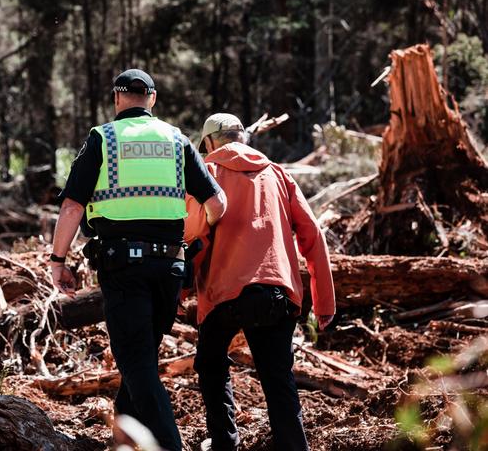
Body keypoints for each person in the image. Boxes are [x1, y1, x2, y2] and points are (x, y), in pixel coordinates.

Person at [49, 69, 227, 451]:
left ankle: (169, 446)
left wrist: (57, 260)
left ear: (117, 99)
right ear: (153, 99)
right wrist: (196, 239)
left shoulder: (103, 138)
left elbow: (71, 207)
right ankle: (123, 441)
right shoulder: (177, 139)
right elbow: (217, 204)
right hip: (170, 268)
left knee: (138, 365)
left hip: (124, 267)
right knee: (140, 360)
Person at [185, 113, 336, 451]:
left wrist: (180, 287)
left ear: (208, 144)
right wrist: (324, 303)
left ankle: (225, 443)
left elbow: (195, 235)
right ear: (244, 139)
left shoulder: (207, 173)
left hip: (224, 295)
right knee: (279, 380)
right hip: (276, 291)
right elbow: (312, 234)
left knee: (210, 365)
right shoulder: (278, 174)